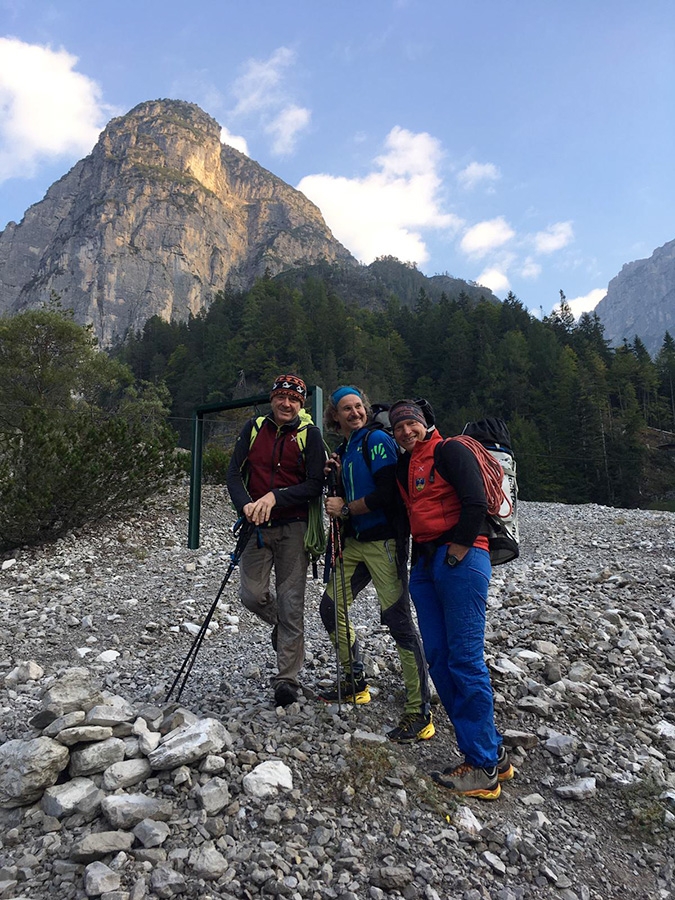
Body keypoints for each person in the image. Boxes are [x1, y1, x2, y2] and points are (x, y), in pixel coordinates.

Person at [388, 400, 514, 799]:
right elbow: (388, 505)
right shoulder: (406, 466)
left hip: (460, 556)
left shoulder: (451, 449)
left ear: (426, 423)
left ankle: (481, 767)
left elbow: (475, 501)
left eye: (411, 423)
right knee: (440, 657)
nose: (406, 431)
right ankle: (491, 752)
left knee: (464, 658)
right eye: (398, 427)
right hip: (426, 565)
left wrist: (458, 549)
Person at [319, 385, 434, 743]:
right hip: (355, 542)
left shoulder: (377, 441)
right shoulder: (345, 448)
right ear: (334, 417)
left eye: (358, 406)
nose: (354, 412)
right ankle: (354, 681)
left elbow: (388, 493)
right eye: (346, 409)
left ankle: (420, 711)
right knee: (330, 607)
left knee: (398, 620)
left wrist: (347, 509)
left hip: (384, 540)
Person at [226, 374, 325, 708]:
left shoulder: (310, 435)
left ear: (301, 405)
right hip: (255, 525)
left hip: (293, 528)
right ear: (272, 399)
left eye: (294, 400)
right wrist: (245, 504)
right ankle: (286, 631)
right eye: (281, 397)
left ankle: (287, 679)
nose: (286, 404)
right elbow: (233, 474)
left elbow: (314, 484)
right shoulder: (254, 428)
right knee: (251, 595)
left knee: (292, 600)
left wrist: (275, 497)